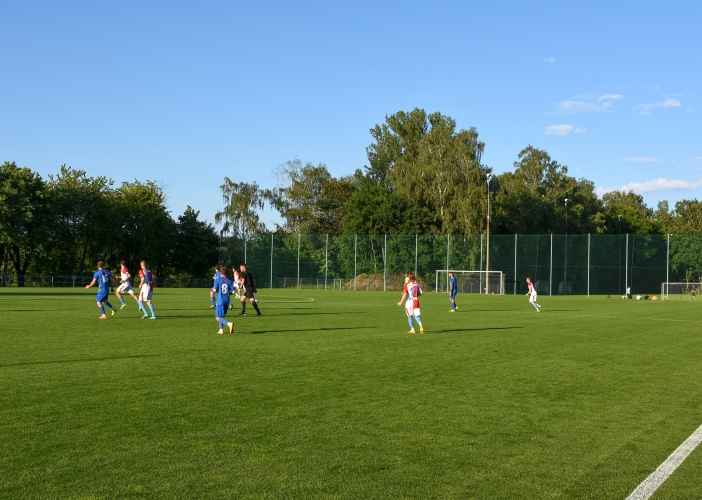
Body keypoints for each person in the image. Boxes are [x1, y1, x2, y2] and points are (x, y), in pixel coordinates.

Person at [211, 266, 235, 334]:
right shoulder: (229, 281)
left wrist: (212, 290)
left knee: (217, 317)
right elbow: (233, 292)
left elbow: (215, 290)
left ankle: (229, 324)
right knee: (221, 316)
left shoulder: (217, 280)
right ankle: (221, 330)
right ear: (226, 273)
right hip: (227, 301)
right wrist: (228, 293)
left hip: (220, 301)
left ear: (220, 272)